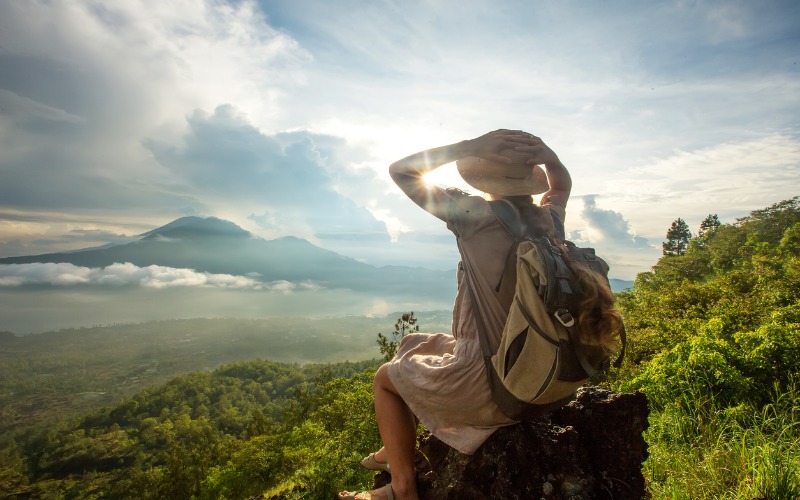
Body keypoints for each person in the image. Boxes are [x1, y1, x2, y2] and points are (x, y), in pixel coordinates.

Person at [339, 129, 614, 500]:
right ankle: (395, 445)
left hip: (497, 385)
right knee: (412, 342)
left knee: (385, 379)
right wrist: (548, 156)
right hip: (546, 376)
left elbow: (401, 171)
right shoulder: (549, 222)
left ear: (482, 177)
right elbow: (561, 185)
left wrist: (466, 148)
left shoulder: (476, 216)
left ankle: (401, 487)